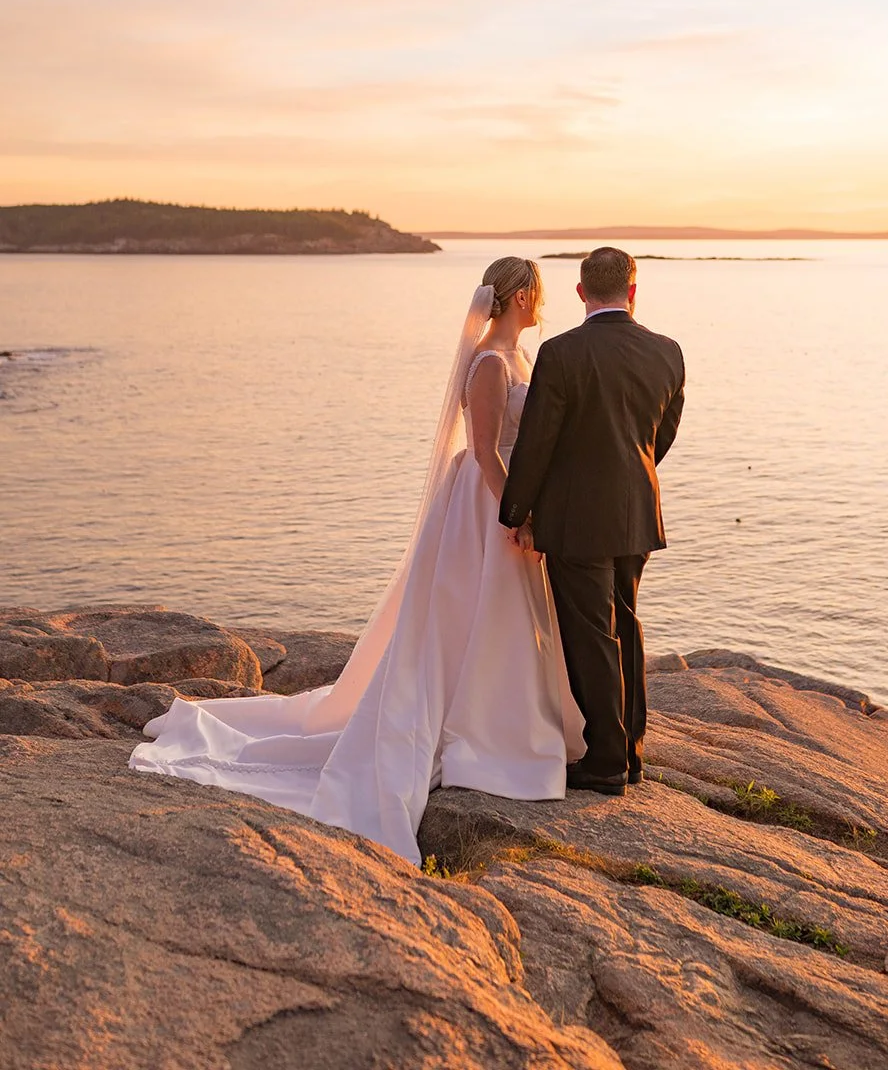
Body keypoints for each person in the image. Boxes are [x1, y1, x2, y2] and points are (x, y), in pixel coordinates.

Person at [129, 257, 583, 865]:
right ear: (522, 295)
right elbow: (483, 451)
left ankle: (511, 724)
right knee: (472, 616)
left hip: (503, 499)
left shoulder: (522, 357)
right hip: (484, 504)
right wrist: (516, 517)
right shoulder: (491, 364)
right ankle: (481, 733)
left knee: (503, 621)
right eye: (539, 293)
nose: (543, 303)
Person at [500, 246, 685, 795]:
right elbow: (662, 435)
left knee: (591, 637)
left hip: (575, 518)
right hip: (637, 512)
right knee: (626, 625)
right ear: (633, 290)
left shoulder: (560, 353)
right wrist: (630, 480)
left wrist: (515, 512)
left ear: (582, 292)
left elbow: (537, 443)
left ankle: (605, 761)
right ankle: (630, 755)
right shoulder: (667, 351)